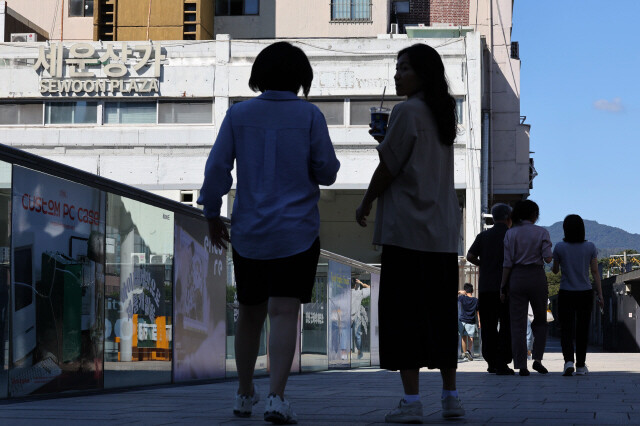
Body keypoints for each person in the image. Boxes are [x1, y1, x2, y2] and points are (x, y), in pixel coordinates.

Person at [198, 41, 340, 424]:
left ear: (260, 74)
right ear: (301, 78)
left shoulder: (238, 115)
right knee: (284, 311)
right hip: (297, 232)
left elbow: (216, 170)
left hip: (250, 231)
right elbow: (327, 171)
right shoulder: (310, 116)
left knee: (250, 313)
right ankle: (276, 397)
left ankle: (244, 392)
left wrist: (212, 212)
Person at [356, 43, 464, 423]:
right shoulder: (442, 113)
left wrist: (366, 201)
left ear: (421, 72)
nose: (396, 74)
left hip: (407, 233)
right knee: (439, 317)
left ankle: (413, 402)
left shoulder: (406, 111)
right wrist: (386, 140)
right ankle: (451, 397)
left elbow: (389, 168)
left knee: (405, 318)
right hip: (442, 233)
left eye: (403, 68)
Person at [500, 200, 553, 376]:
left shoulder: (510, 233)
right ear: (534, 215)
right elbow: (547, 258)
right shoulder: (542, 232)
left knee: (517, 324)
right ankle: (537, 359)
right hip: (537, 277)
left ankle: (521, 364)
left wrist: (503, 285)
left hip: (516, 277)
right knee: (540, 320)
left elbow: (507, 263)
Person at [552, 214, 604, 376]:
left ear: (565, 229)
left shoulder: (559, 247)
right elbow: (595, 273)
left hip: (566, 292)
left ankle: (568, 361)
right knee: (582, 329)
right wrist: (600, 295)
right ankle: (581, 365)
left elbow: (554, 270)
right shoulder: (590, 247)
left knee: (566, 329)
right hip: (585, 293)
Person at [466, 203, 514, 375]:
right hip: (507, 287)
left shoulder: (483, 236)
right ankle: (502, 361)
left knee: (488, 326)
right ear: (509, 218)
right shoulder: (511, 236)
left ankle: (491, 361)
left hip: (486, 288)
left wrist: (484, 264)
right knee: (507, 326)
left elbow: (470, 256)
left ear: (493, 218)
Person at [457, 284, 479, 361]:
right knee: (471, 338)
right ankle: (468, 351)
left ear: (465, 291)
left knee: (463, 337)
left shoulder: (462, 298)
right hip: (471, 320)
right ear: (472, 291)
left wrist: (460, 292)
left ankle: (465, 354)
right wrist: (479, 321)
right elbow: (478, 312)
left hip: (462, 320)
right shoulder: (476, 300)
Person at [351, 278, 371, 359]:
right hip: (357, 316)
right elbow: (370, 288)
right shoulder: (359, 293)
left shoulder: (345, 294)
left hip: (347, 317)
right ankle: (359, 352)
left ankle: (346, 353)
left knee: (345, 335)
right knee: (357, 335)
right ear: (355, 285)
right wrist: (362, 283)